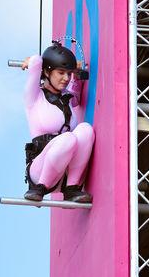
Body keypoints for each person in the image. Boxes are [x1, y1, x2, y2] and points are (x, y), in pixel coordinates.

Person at [21, 41, 94, 203]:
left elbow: (76, 94)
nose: (66, 78)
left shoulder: (67, 98)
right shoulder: (34, 98)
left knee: (85, 129)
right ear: (47, 72)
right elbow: (36, 64)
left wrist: (76, 70)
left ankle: (72, 188)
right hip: (40, 172)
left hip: (64, 171)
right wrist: (33, 61)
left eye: (68, 73)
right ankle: (39, 188)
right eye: (61, 73)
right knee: (68, 138)